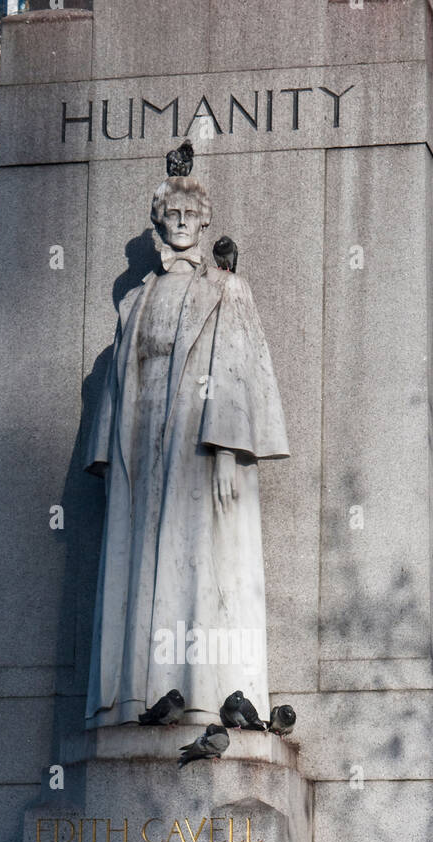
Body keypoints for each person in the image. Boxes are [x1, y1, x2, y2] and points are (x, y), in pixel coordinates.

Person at [84, 171, 289, 728]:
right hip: (141, 448)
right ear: (158, 224)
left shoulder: (227, 288)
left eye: (189, 215)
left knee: (197, 568)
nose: (179, 223)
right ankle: (133, 695)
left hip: (197, 443)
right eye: (169, 214)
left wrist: (227, 450)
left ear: (204, 222)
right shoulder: (134, 301)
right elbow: (119, 385)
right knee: (140, 570)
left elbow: (237, 372)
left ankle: (201, 691)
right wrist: (106, 454)